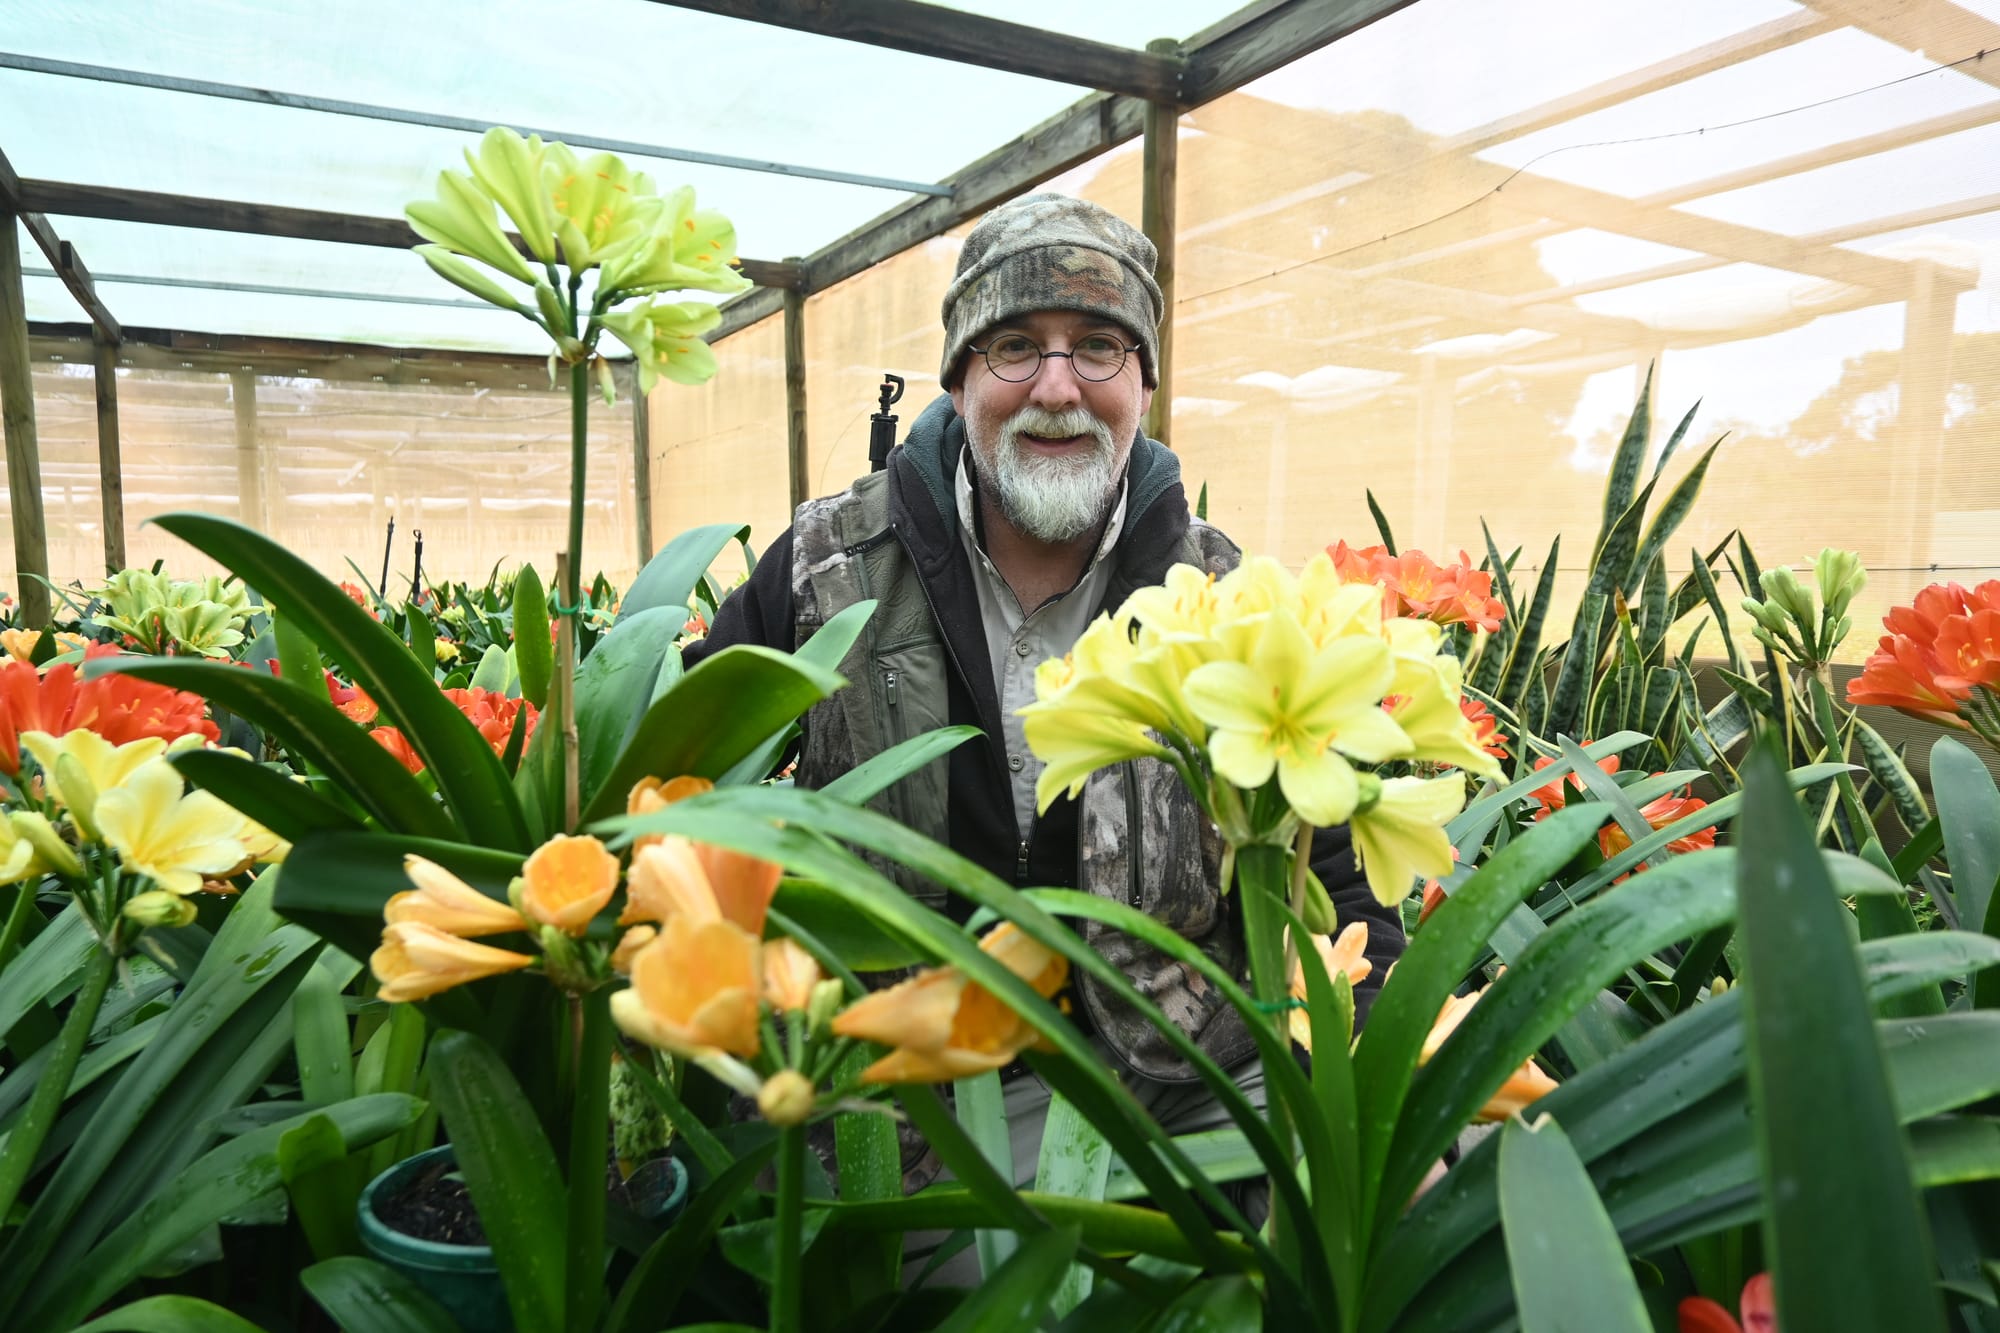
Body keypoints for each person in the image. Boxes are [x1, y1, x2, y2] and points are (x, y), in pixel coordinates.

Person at [682, 192, 1404, 1189]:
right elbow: (684, 800)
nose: (1056, 387)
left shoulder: (1225, 595)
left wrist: (1371, 1071)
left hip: (1170, 1073)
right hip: (888, 1081)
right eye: (1012, 345)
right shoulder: (821, 567)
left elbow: (1343, 879)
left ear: (1143, 381)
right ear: (958, 379)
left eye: (1099, 345)